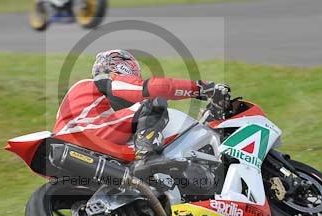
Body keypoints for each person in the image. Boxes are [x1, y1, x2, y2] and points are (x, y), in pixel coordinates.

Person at [54, 49, 230, 161]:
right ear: (123, 67)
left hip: (68, 143)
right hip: (83, 134)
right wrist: (202, 88)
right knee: (153, 102)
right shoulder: (106, 80)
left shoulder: (94, 98)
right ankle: (146, 153)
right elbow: (155, 88)